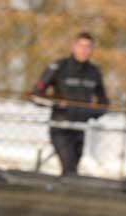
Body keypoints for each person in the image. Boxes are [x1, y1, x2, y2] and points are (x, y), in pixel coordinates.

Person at [31, 31, 109, 176]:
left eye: (88, 47)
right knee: (69, 166)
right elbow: (36, 95)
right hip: (60, 125)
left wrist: (90, 112)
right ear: (74, 46)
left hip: (80, 127)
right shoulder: (58, 67)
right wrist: (57, 104)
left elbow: (104, 103)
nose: (84, 50)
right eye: (81, 46)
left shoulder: (94, 72)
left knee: (72, 167)